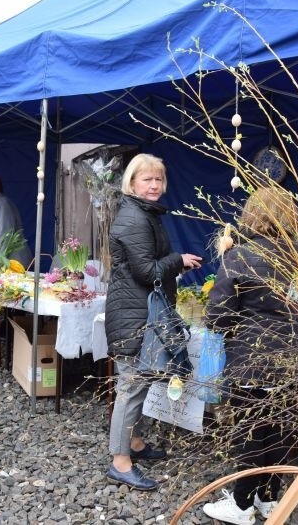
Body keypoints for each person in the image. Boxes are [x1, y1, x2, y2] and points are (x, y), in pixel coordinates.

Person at [202, 187, 298, 524]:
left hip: (252, 358)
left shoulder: (239, 256)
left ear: (252, 215)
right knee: (277, 430)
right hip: (291, 357)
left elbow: (217, 316)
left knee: (250, 431)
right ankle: (268, 498)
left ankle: (240, 504)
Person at [104, 153, 203, 490]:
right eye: (147, 179)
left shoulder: (144, 215)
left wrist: (176, 264)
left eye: (158, 179)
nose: (154, 185)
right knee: (131, 387)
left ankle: (132, 444)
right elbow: (147, 271)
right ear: (132, 183)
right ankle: (120, 462)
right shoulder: (134, 218)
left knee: (139, 382)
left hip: (138, 312)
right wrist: (177, 260)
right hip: (132, 314)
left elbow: (148, 264)